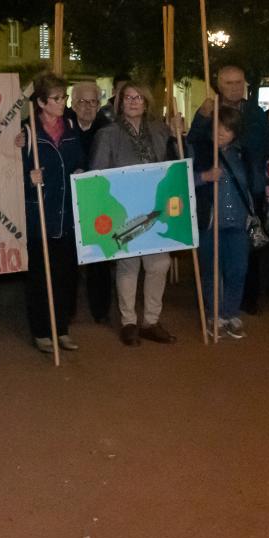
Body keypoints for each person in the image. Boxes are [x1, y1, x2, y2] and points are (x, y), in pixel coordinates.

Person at [89, 80, 177, 345]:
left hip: (155, 208)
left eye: (139, 97)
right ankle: (129, 321)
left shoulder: (160, 131)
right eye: (128, 97)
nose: (133, 102)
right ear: (120, 102)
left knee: (159, 263)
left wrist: (179, 136)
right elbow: (97, 174)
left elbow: (175, 167)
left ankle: (151, 319)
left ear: (147, 101)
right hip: (124, 208)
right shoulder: (108, 134)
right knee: (128, 265)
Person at [190, 64, 269, 315]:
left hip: (248, 188)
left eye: (239, 82)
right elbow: (196, 142)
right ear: (218, 84)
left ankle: (245, 302)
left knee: (246, 254)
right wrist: (204, 119)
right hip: (213, 198)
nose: (235, 87)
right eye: (229, 83)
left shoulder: (255, 112)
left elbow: (263, 144)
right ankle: (216, 308)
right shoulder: (208, 109)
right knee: (214, 260)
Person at [24, 73, 85, 352]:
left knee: (66, 276)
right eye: (57, 98)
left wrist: (82, 171)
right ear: (40, 102)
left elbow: (79, 160)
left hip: (68, 215)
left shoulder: (71, 127)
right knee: (40, 276)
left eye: (64, 97)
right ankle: (41, 331)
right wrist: (28, 178)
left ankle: (61, 328)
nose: (63, 103)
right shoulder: (27, 132)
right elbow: (6, 174)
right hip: (40, 215)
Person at [192, 103, 260, 338]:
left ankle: (231, 313)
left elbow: (255, 182)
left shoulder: (243, 154)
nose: (222, 132)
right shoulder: (200, 152)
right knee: (212, 271)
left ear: (235, 131)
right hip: (210, 223)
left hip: (238, 223)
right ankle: (214, 314)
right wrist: (204, 177)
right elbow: (182, 180)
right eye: (218, 126)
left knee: (237, 270)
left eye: (228, 128)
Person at [70, 79, 113, 325]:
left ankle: (101, 309)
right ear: (73, 103)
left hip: (98, 200)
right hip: (69, 201)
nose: (87, 107)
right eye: (82, 102)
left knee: (100, 258)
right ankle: (69, 309)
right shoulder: (64, 126)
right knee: (69, 261)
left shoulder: (107, 129)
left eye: (93, 102)